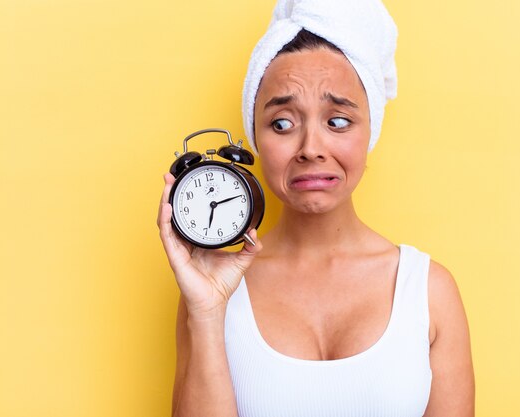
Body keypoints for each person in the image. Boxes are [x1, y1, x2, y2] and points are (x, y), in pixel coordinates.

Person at [157, 0, 474, 416]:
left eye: (337, 121)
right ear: (255, 138)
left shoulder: (427, 290)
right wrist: (206, 312)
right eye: (283, 124)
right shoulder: (215, 287)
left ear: (370, 129)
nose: (311, 149)